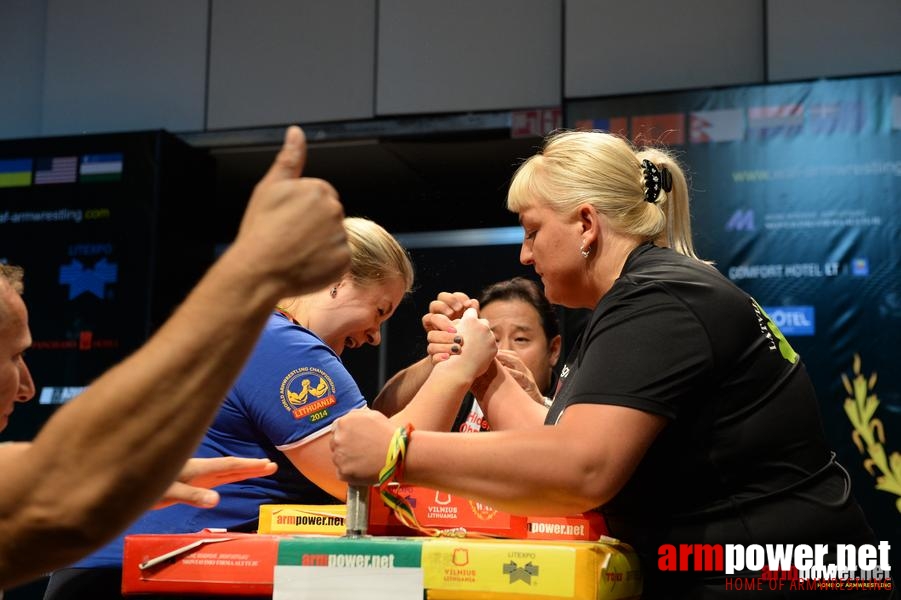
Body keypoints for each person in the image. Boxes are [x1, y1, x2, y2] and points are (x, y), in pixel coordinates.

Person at [330, 130, 887, 598]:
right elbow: (552, 452)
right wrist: (482, 370)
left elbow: (581, 470)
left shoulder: (660, 300)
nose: (524, 255)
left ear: (587, 225)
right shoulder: (640, 297)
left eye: (532, 232)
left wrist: (397, 450)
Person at [44, 218, 496, 600]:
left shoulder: (260, 330)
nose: (375, 335)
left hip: (135, 565)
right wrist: (458, 371)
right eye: (379, 310)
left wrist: (440, 358)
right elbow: (364, 474)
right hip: (138, 574)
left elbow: (370, 430)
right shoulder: (283, 347)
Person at [0, 125, 351, 593]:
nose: (27, 387)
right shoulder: (283, 341)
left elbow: (64, 491)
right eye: (13, 356)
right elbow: (64, 486)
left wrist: (121, 485)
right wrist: (252, 270)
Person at [373, 276, 561, 433]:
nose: (504, 350)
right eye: (492, 338)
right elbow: (383, 412)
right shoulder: (467, 386)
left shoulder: (573, 401)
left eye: (521, 339)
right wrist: (445, 353)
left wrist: (540, 404)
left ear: (553, 350)